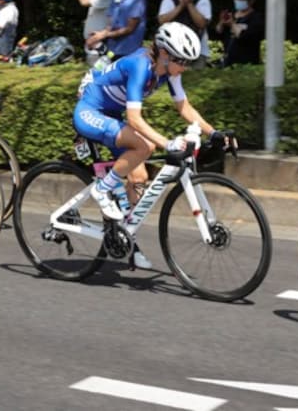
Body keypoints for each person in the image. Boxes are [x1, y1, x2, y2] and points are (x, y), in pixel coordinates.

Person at [72, 21, 226, 269]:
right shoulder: (140, 66)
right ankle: (102, 190)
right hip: (90, 111)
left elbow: (183, 107)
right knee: (145, 147)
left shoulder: (168, 71)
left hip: (111, 117)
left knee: (139, 177)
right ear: (164, 54)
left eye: (188, 62)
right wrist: (167, 143)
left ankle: (126, 239)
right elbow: (135, 119)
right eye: (182, 61)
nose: (184, 68)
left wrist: (214, 132)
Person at [157, 0, 212, 69]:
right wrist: (181, 5)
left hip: (198, 53)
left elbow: (202, 23)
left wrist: (190, 3)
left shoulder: (203, 0)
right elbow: (162, 21)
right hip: (171, 51)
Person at [66, 0, 117, 65]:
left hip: (102, 41)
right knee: (97, 73)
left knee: (100, 73)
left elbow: (84, 2)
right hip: (94, 42)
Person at [215, 0, 264, 67]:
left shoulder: (256, 18)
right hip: (228, 62)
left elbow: (246, 36)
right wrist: (221, 23)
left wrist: (232, 24)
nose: (238, 0)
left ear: (251, 0)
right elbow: (218, 32)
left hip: (246, 64)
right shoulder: (232, 14)